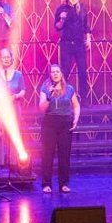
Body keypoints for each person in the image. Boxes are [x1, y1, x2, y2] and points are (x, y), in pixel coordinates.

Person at [39, 64, 80, 193]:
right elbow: (42, 108)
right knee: (48, 155)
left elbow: (76, 105)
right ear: (50, 75)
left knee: (64, 155)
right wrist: (49, 97)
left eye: (57, 71)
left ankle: (63, 184)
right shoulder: (45, 88)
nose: (55, 74)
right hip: (49, 124)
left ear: (61, 74)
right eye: (53, 72)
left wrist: (76, 119)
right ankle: (46, 184)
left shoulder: (69, 89)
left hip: (65, 124)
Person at [54, 0, 93, 99]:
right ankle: (63, 98)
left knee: (82, 72)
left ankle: (84, 99)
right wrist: (62, 19)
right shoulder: (61, 9)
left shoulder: (82, 8)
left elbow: (86, 25)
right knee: (65, 71)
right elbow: (57, 27)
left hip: (79, 44)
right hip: (66, 44)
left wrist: (88, 39)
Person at [0, 47, 26, 168]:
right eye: (4, 57)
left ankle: (13, 162)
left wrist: (15, 96)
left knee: (14, 133)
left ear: (12, 59)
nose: (6, 59)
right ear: (0, 59)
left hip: (14, 108)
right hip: (0, 109)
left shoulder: (18, 74)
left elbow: (23, 90)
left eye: (8, 57)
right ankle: (0, 162)